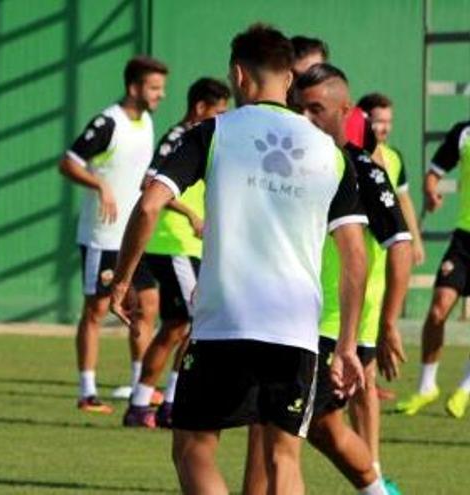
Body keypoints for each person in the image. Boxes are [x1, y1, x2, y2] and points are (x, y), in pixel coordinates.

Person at [110, 24, 367, 494]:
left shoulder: (213, 132)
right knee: (283, 459)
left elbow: (149, 205)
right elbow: (354, 253)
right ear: (289, 80)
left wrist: (123, 281)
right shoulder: (331, 154)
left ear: (238, 75)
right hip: (295, 329)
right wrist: (347, 343)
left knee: (192, 447)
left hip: (224, 323)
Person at [244, 63, 412, 495]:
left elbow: (400, 244)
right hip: (284, 319)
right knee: (322, 427)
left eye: (317, 109)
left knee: (274, 434)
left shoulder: (360, 169)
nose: (306, 119)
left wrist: (386, 323)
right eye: (299, 108)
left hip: (326, 328)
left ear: (345, 110)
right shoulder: (285, 162)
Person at [59, 56, 167, 413]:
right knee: (97, 310)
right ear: (134, 87)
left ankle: (141, 384)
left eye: (161, 88)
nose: (160, 95)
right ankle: (87, 392)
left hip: (133, 237)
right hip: (101, 236)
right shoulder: (109, 122)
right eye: (154, 88)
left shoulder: (147, 122)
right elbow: (68, 162)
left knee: (147, 304)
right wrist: (100, 184)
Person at [122, 77, 230, 428]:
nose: (223, 118)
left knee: (177, 326)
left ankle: (150, 404)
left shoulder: (207, 140)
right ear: (200, 108)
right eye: (219, 111)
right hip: (173, 243)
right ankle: (161, 404)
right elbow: (149, 185)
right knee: (193, 323)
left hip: (187, 246)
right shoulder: (180, 137)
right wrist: (191, 214)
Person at [397, 116, 470, 419]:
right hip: (464, 240)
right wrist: (430, 190)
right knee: (439, 308)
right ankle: (427, 386)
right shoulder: (464, 132)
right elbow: (435, 172)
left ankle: (465, 389)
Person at [357, 92, 425, 267]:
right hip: (355, 246)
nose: (385, 128)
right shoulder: (349, 154)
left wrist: (415, 240)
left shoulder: (394, 157)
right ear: (364, 119)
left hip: (385, 251)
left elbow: (403, 200)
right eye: (379, 122)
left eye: (389, 122)